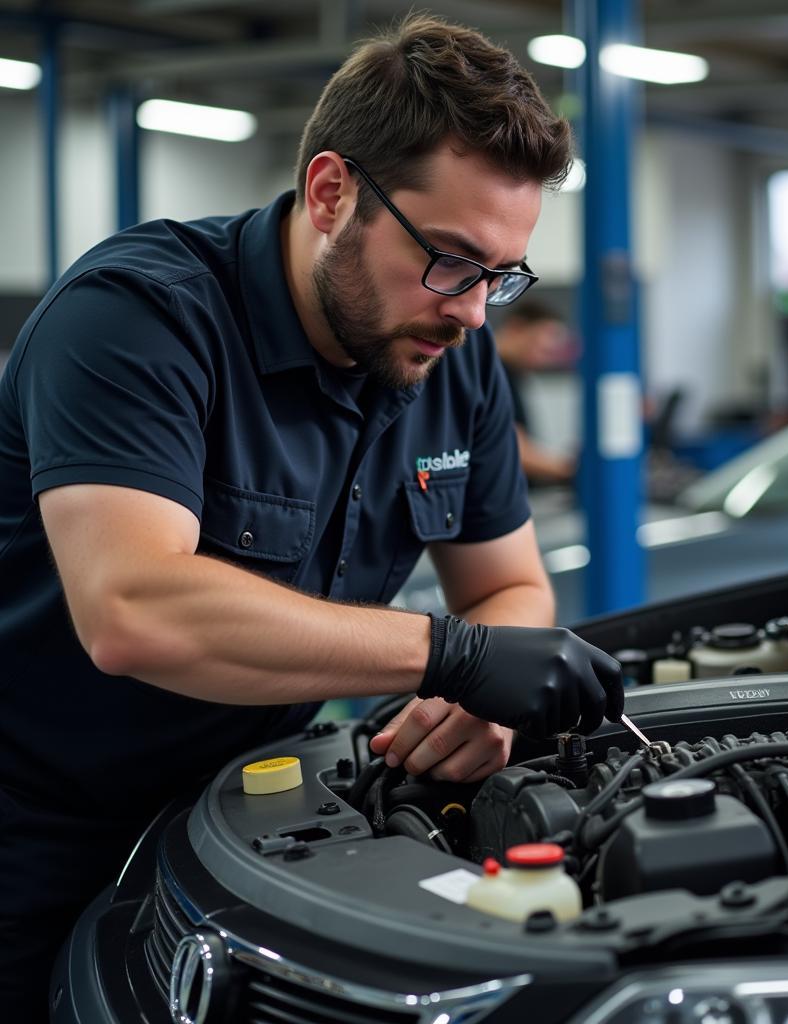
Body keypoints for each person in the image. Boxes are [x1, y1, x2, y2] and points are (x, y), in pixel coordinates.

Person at [0, 16, 624, 1021]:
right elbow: (132, 608)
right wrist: (453, 656)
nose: (473, 313)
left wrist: (485, 695)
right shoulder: (136, 318)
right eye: (451, 261)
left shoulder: (448, 360)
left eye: (500, 277)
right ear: (332, 192)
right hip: (32, 829)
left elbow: (507, 584)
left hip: (238, 811)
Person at [493, 300, 577, 485]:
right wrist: (571, 471)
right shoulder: (489, 373)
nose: (544, 359)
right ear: (516, 328)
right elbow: (511, 445)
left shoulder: (513, 374)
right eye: (540, 347)